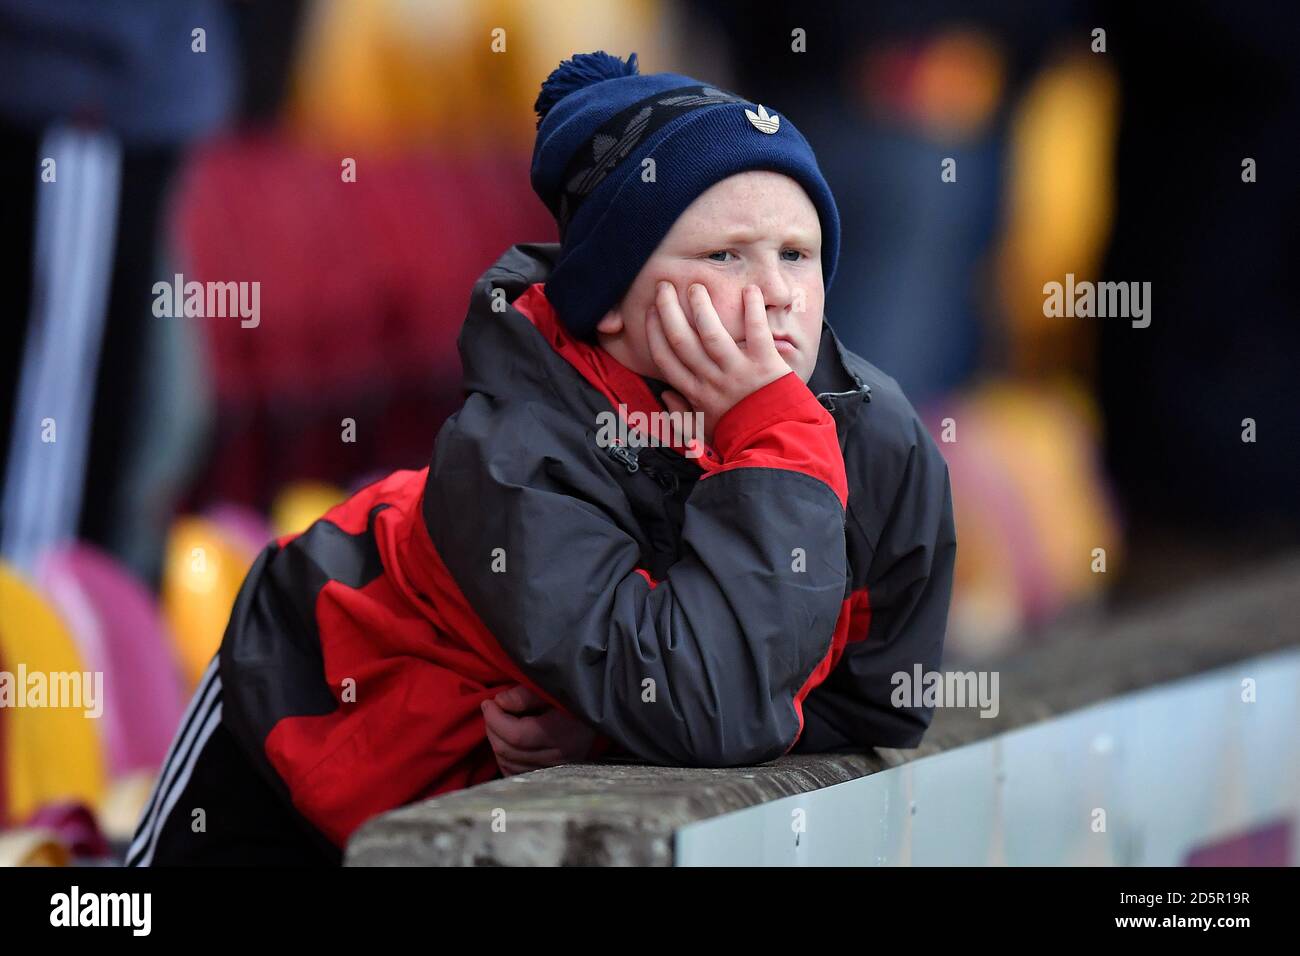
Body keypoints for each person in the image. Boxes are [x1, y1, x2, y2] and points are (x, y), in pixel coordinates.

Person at [128, 51, 956, 866]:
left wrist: (617, 724)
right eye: (724, 256)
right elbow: (708, 702)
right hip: (288, 762)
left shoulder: (875, 438)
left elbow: (877, 703)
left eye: (797, 254)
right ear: (610, 304)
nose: (776, 291)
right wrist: (773, 441)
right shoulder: (516, 452)